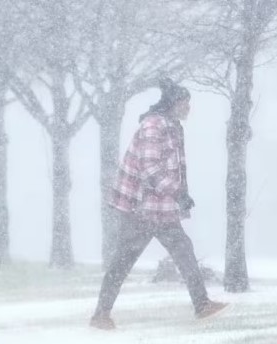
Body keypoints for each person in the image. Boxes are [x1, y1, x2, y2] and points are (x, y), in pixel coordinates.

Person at [90, 79, 228, 330]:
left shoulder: (172, 126)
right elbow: (150, 169)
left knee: (183, 250)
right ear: (174, 103)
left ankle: (202, 305)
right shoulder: (154, 126)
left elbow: (172, 168)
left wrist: (179, 196)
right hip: (140, 208)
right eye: (186, 103)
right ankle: (100, 315)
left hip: (159, 208)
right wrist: (178, 194)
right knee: (124, 260)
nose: (189, 108)